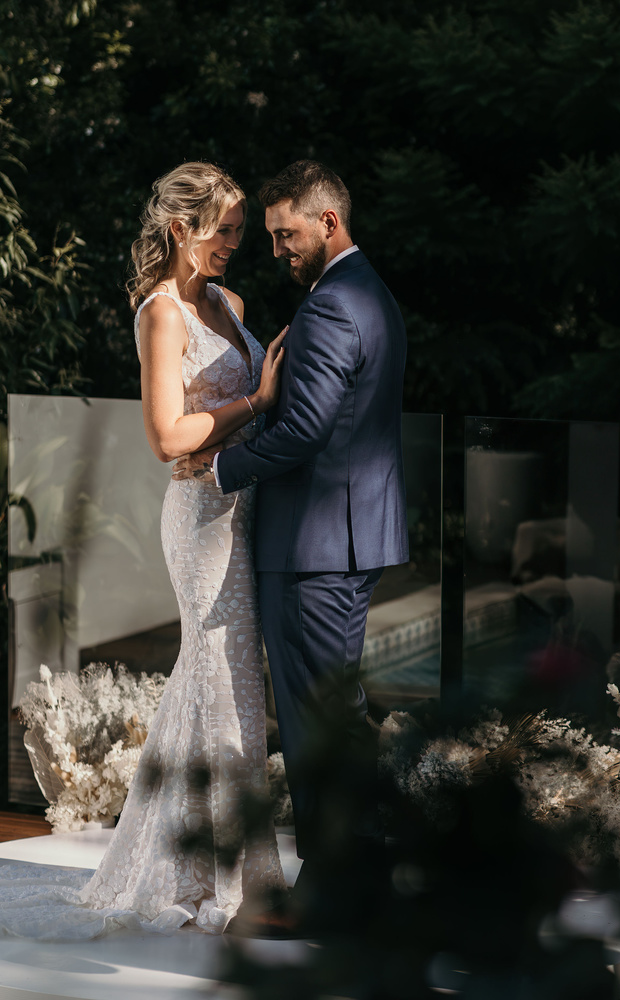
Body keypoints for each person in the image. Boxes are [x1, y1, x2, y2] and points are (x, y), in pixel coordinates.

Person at [0, 162, 288, 940]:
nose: (233, 244)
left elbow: (219, 427)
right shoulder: (160, 313)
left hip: (245, 508)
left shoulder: (230, 303)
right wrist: (256, 400)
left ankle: (193, 863)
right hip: (200, 520)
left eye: (238, 231)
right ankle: (235, 884)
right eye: (222, 231)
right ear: (179, 229)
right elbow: (166, 437)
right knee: (224, 688)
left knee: (222, 685)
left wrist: (249, 427)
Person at [172, 160, 409, 934]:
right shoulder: (367, 292)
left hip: (315, 548)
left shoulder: (333, 305)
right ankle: (361, 888)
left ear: (327, 222)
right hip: (342, 541)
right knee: (330, 718)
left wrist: (221, 469)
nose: (276, 250)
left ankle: (334, 900)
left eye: (286, 234)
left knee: (317, 727)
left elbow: (306, 430)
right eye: (270, 236)